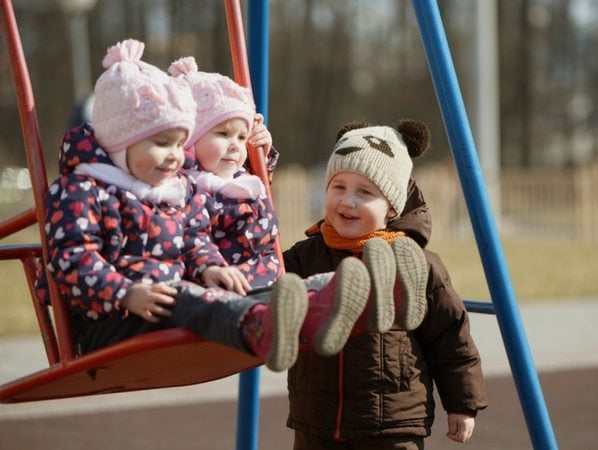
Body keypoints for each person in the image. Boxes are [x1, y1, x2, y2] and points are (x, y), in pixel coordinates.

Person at [38, 39, 388, 373]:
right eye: (162, 143)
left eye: (179, 144)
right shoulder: (81, 190)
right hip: (108, 320)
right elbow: (70, 258)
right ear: (119, 141)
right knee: (194, 295)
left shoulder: (164, 191)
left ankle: (331, 294)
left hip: (167, 302)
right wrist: (125, 293)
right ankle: (261, 326)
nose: (176, 155)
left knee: (225, 290)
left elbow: (190, 238)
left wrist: (208, 267)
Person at [283, 119, 489, 448]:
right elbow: (267, 287)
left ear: (391, 205)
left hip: (391, 424)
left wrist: (462, 404)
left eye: (364, 192)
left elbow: (449, 340)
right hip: (317, 420)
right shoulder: (303, 258)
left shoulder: (416, 263)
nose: (347, 201)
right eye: (338, 187)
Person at [167, 56, 279, 289]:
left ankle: (323, 294)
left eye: (241, 137)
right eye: (223, 134)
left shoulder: (243, 176)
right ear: (190, 141)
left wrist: (263, 153)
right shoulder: (185, 184)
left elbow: (260, 184)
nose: (236, 145)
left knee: (298, 291)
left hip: (264, 272)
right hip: (222, 281)